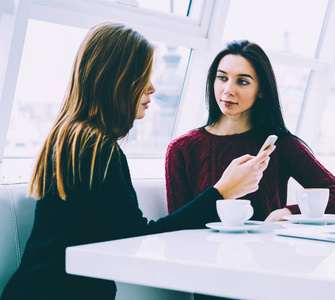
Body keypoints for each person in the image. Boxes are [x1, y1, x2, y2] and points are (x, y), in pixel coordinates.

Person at [0, 25, 274, 300]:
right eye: (142, 76)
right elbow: (137, 238)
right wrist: (222, 191)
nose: (152, 87)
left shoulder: (75, 138)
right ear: (115, 80)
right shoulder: (95, 149)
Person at [165, 40, 335, 222]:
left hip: (267, 254)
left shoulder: (281, 145)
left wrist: (288, 212)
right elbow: (177, 226)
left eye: (242, 81)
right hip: (201, 256)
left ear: (261, 90)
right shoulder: (182, 149)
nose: (228, 90)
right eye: (222, 78)